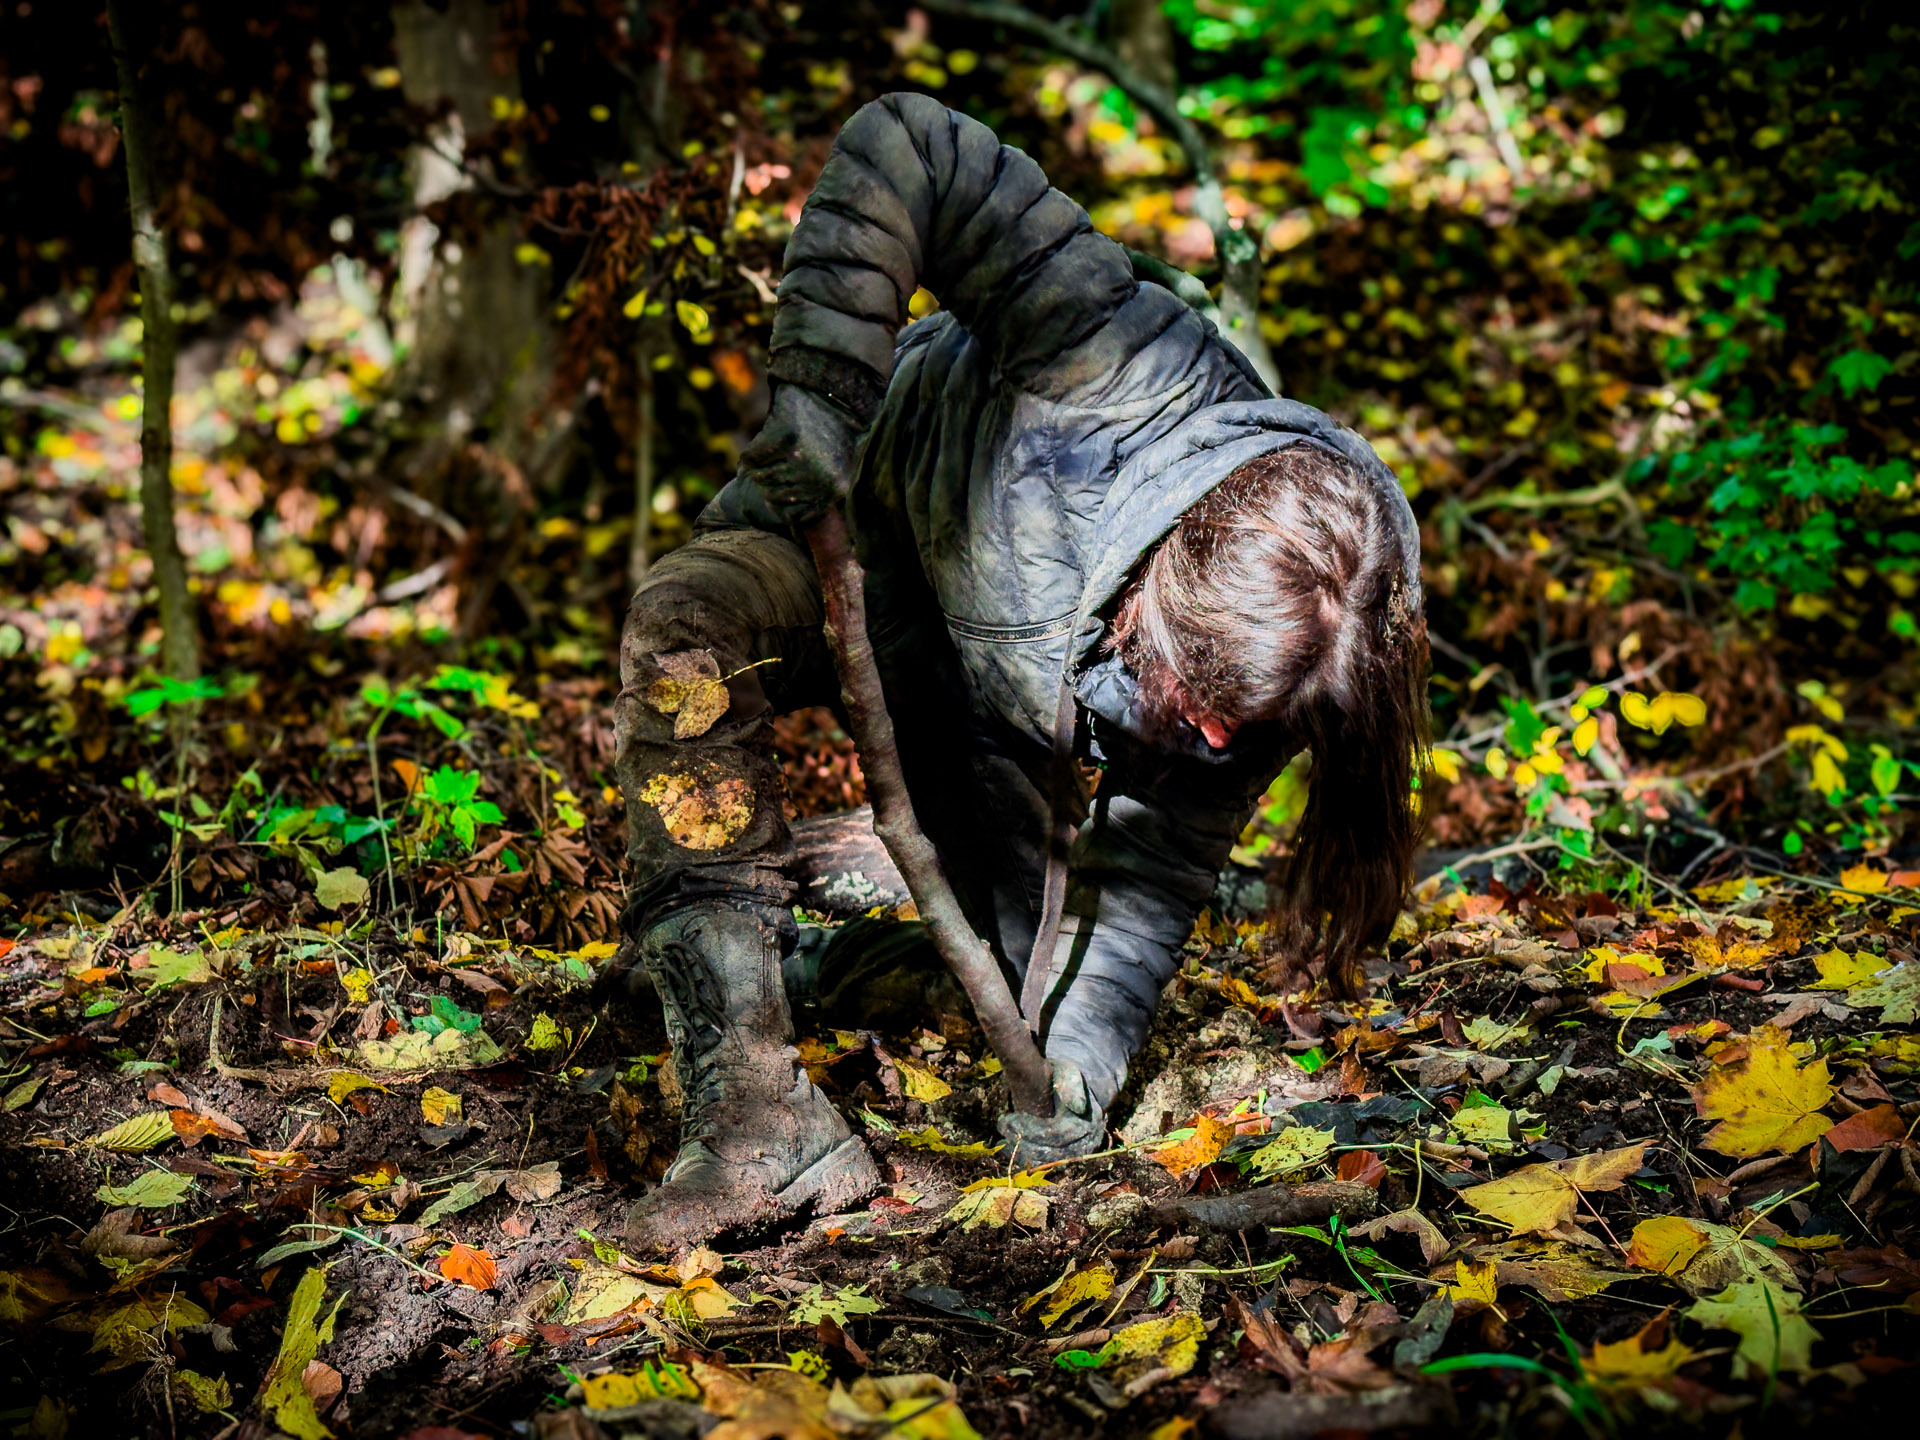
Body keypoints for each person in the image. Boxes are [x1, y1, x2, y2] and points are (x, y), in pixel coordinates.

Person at [613, 93, 1428, 1249]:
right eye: (1200, 698)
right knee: (688, 628)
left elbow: (1154, 865)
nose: (1212, 741)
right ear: (1163, 569)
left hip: (973, 724)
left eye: (1235, 728)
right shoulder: (1116, 352)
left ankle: (812, 968)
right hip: (850, 530)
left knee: (1010, 993)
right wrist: (820, 412)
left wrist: (1080, 1076)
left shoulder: (1304, 648)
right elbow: (909, 145)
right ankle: (751, 1113)